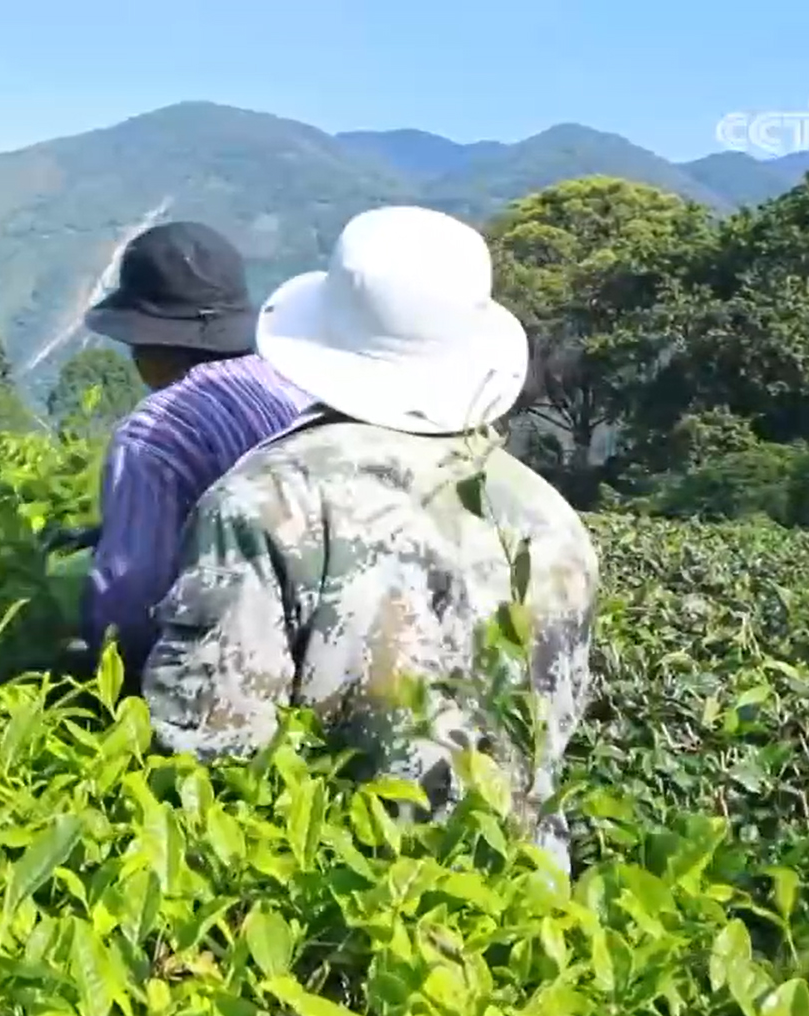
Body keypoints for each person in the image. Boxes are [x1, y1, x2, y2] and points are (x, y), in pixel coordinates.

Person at [140, 206, 600, 871]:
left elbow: (212, 754)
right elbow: (551, 729)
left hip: (346, 902)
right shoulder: (552, 518)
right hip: (526, 902)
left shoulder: (267, 500)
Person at [76, 221, 313, 681]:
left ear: (148, 342)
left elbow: (128, 608)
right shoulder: (295, 389)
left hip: (231, 678)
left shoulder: (153, 436)